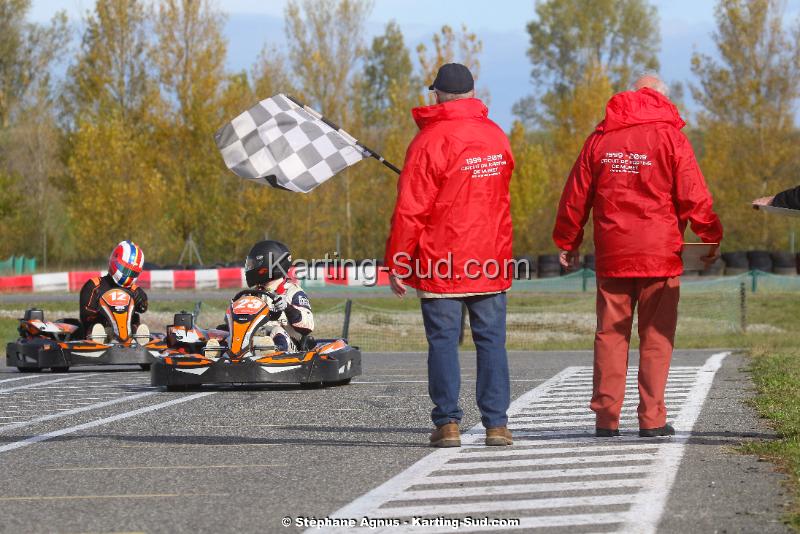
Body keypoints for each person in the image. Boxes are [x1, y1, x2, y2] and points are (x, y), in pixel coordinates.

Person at [552, 74, 723, 438]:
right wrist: (710, 236)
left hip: (614, 253)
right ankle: (652, 419)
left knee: (610, 335)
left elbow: (575, 196)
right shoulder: (672, 138)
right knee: (656, 337)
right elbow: (695, 196)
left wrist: (568, 240)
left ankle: (606, 419)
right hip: (660, 253)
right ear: (662, 99)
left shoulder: (599, 139)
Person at [384, 63, 515, 447]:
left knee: (443, 342)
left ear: (438, 94)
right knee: (491, 341)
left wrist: (398, 262)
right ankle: (497, 424)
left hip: (441, 259)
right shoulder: (496, 137)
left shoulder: (428, 142)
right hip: (489, 258)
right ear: (473, 93)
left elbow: (411, 210)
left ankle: (448, 424)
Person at [241, 240, 314, 352]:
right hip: (256, 340)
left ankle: (272, 351)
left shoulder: (293, 292)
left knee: (276, 330)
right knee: (224, 333)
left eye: (254, 264)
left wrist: (288, 308)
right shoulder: (253, 294)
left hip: (289, 348)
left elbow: (308, 326)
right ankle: (214, 351)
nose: (251, 268)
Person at [79, 240, 149, 341]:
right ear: (115, 261)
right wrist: (103, 309)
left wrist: (141, 302)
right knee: (97, 328)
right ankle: (99, 339)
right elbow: (86, 316)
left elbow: (143, 307)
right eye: (125, 270)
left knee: (136, 325)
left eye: (132, 273)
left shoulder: (134, 290)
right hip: (102, 332)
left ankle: (140, 338)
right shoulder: (94, 286)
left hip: (129, 335)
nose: (128, 275)